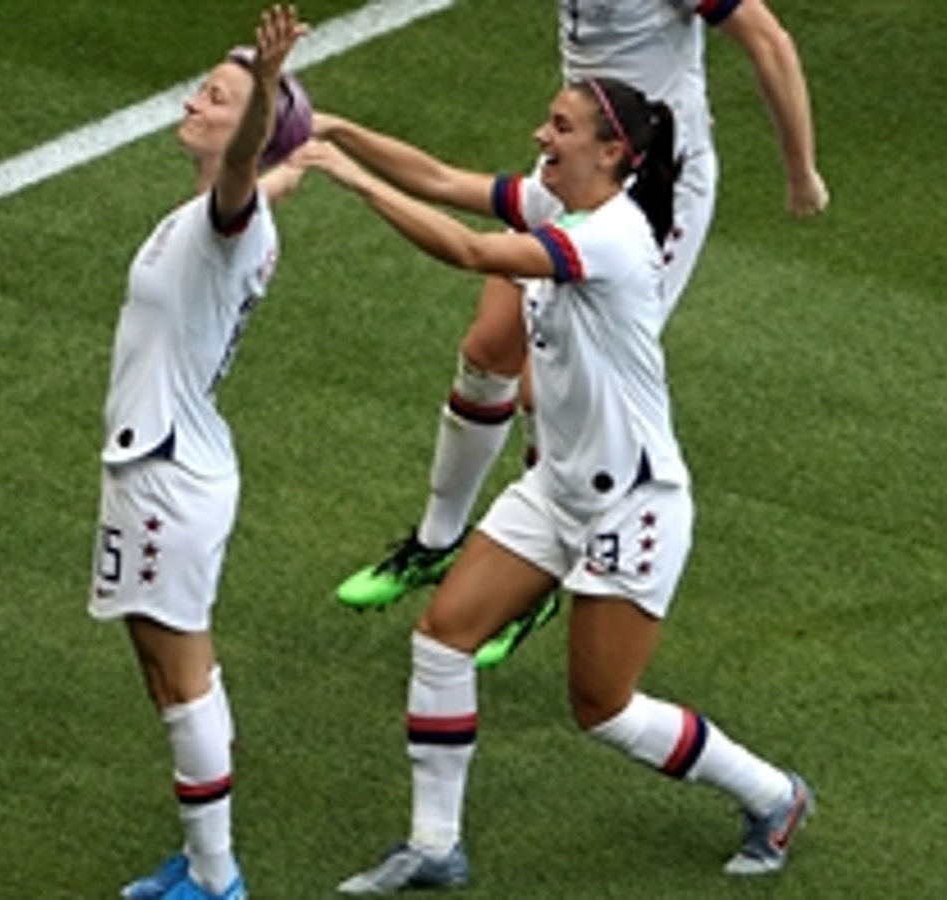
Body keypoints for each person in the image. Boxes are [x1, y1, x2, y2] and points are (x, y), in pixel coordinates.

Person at [293, 74, 813, 893]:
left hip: (631, 507)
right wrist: (343, 128)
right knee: (442, 639)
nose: (542, 135)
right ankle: (434, 845)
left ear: (612, 153)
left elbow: (468, 249)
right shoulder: (555, 204)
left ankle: (774, 795)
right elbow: (437, 179)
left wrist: (351, 181)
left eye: (561, 126)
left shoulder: (610, 237)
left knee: (602, 707)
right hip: (559, 489)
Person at [333, 0, 830, 670]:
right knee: (488, 350)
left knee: (549, 382)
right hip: (579, 163)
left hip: (650, 192)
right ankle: (438, 541)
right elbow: (445, 182)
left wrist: (800, 170)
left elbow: (767, 40)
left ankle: (542, 571)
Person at [87, 7, 310, 900]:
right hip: (164, 463)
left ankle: (216, 881)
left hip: (164, 477)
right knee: (163, 668)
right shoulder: (223, 218)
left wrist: (268, 90)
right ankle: (205, 863)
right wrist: (305, 158)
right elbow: (259, 176)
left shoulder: (230, 220)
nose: (194, 101)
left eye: (215, 98)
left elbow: (247, 172)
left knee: (181, 678)